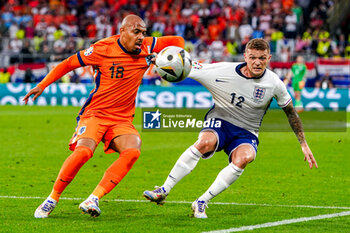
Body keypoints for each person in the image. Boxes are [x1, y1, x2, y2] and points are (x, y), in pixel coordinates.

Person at [23, 14, 184, 219]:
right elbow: (68, 63)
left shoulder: (148, 46)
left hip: (122, 120)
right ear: (122, 31)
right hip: (95, 114)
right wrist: (42, 85)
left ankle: (93, 198)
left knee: (132, 151)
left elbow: (178, 42)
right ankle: (52, 199)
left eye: (144, 32)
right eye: (136, 32)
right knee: (83, 153)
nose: (141, 37)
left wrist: (162, 58)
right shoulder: (102, 49)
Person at [143, 39, 317, 218]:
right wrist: (160, 60)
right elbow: (186, 65)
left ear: (269, 58)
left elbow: (290, 113)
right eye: (253, 57)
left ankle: (202, 201)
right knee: (205, 142)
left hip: (247, 131)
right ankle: (163, 189)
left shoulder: (274, 83)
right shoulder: (222, 70)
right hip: (221, 121)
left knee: (245, 157)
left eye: (262, 58)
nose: (257, 62)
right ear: (245, 57)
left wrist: (303, 144)